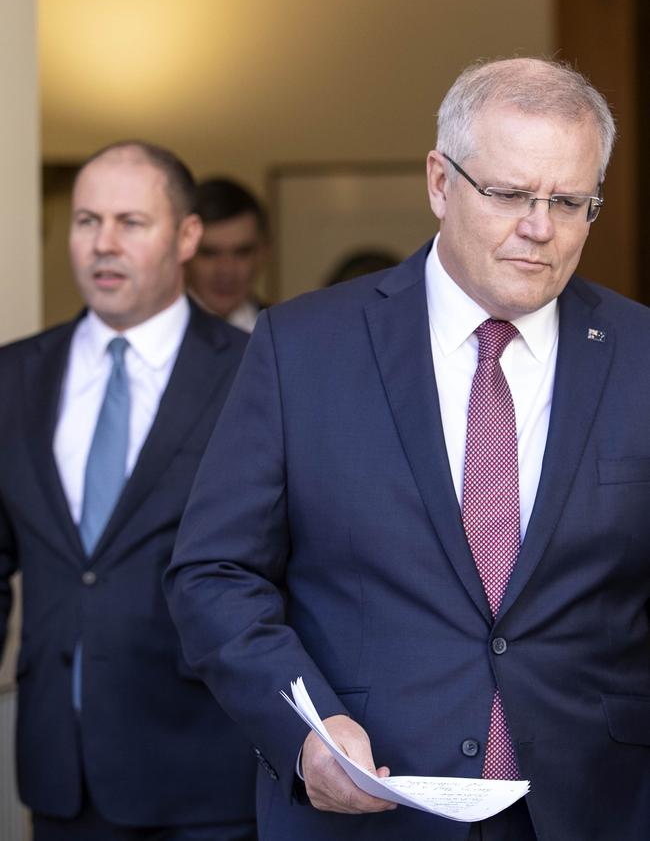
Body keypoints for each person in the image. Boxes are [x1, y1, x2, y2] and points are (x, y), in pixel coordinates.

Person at [165, 57, 650, 841]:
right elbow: (215, 573)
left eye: (570, 201)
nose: (541, 227)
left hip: (598, 805)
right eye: (509, 193)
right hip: (370, 807)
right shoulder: (304, 345)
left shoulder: (639, 352)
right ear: (439, 182)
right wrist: (307, 728)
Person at [0, 141, 257, 840]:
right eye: (86, 221)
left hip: (207, 771)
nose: (102, 244)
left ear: (186, 235)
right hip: (61, 775)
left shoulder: (255, 374)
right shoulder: (14, 376)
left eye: (129, 222)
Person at [185, 178, 269, 332]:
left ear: (262, 253)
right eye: (209, 253)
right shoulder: (156, 334)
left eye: (242, 252)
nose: (226, 270)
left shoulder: (286, 332)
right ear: (184, 252)